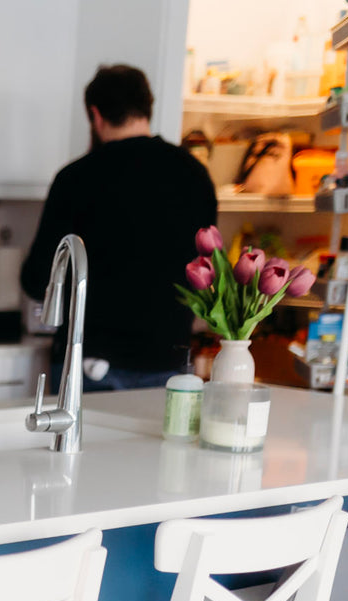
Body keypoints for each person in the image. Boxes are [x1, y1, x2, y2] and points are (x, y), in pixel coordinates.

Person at [22, 64, 218, 391]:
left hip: (93, 364)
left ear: (96, 115)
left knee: (82, 443)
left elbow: (37, 279)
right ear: (146, 109)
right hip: (169, 365)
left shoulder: (76, 178)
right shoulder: (195, 175)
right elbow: (207, 269)